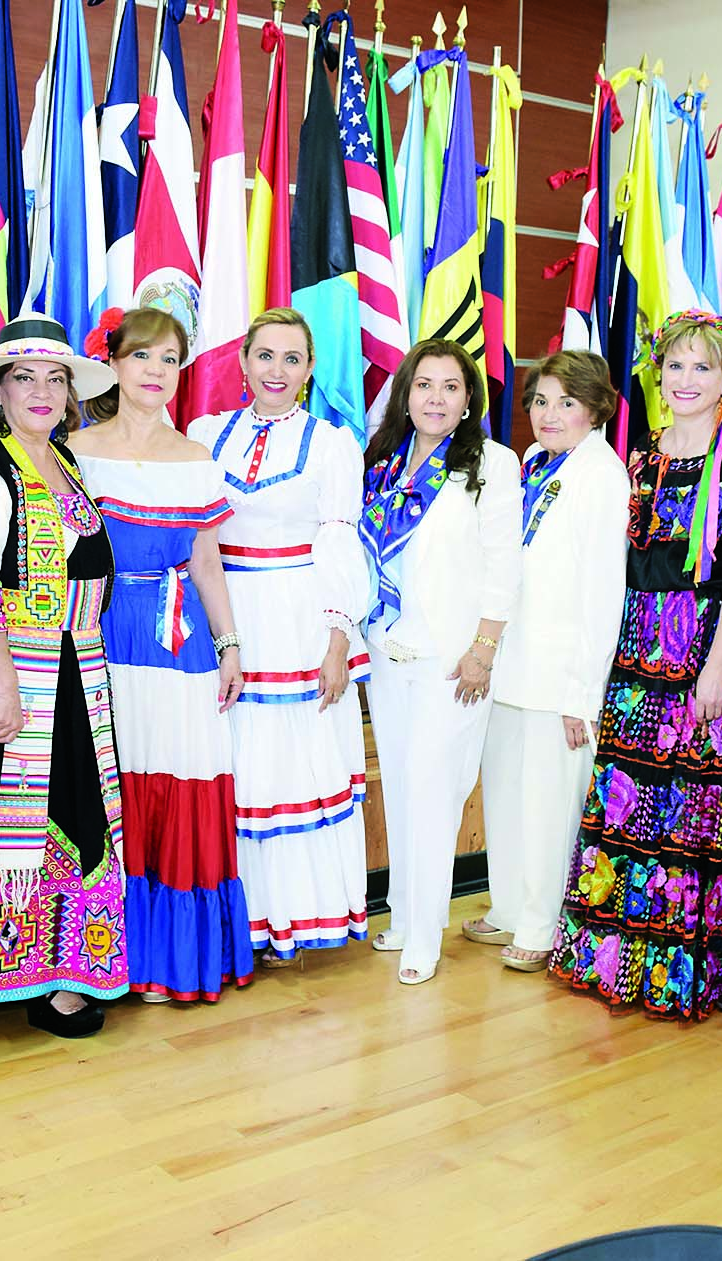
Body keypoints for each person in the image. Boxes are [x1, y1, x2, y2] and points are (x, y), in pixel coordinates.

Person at [545, 315, 722, 1018]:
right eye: (674, 366)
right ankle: (621, 959)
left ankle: (694, 969)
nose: (684, 381)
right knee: (632, 805)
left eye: (701, 368)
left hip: (699, 648)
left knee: (696, 809)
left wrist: (718, 668)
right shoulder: (642, 456)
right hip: (637, 647)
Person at [0, 317, 127, 1038]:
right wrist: (3, 685)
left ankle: (63, 973)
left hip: (75, 665)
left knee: (71, 814)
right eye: (24, 378)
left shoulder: (66, 464)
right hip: (13, 669)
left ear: (71, 394)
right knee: (9, 819)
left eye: (55, 378)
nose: (41, 391)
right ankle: (1, 967)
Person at [70, 306, 254, 1003]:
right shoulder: (77, 450)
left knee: (178, 782)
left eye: (169, 358)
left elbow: (207, 563)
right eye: (143, 355)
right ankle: (101, 958)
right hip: (101, 636)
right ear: (113, 364)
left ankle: (168, 961)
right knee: (112, 786)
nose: (155, 370)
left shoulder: (199, 460)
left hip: (181, 645)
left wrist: (231, 643)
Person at [187, 307, 372, 965]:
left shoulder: (333, 443)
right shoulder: (204, 433)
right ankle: (237, 920)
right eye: (265, 355)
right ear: (242, 360)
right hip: (222, 608)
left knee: (288, 763)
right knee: (234, 764)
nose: (276, 370)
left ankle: (287, 922)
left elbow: (341, 542)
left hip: (296, 615)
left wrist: (336, 642)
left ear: (310, 369)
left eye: (291, 359)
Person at [359, 341, 520, 984]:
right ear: (405, 393)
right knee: (399, 788)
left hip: (453, 661)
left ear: (468, 399)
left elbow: (506, 565)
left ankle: (427, 936)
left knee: (433, 794)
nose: (435, 398)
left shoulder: (492, 464)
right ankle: (402, 916)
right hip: (388, 653)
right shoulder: (382, 460)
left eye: (450, 387)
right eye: (423, 385)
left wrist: (483, 648)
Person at [471, 351, 629, 973]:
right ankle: (509, 906)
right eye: (540, 401)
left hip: (559, 675)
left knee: (547, 807)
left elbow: (602, 592)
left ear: (595, 409)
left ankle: (542, 924)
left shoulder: (602, 475)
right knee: (505, 799)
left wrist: (581, 692)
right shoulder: (533, 463)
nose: (549, 414)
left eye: (567, 402)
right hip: (510, 668)